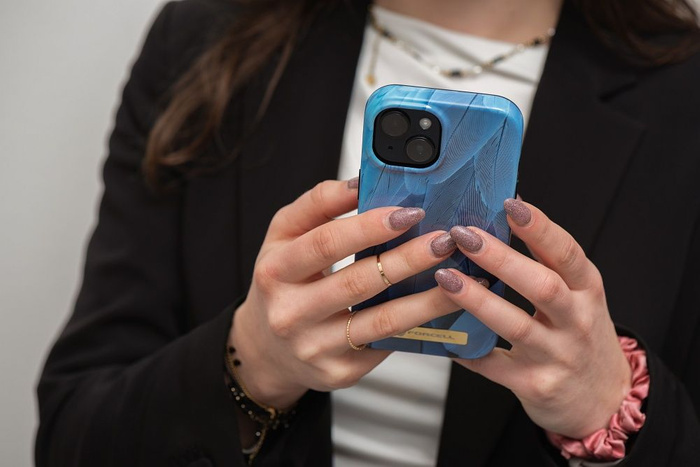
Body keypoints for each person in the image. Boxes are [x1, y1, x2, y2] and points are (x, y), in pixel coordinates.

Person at [36, 0, 700, 465]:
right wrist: (252, 363)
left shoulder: (683, 95)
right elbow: (72, 436)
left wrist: (608, 408)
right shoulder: (205, 41)